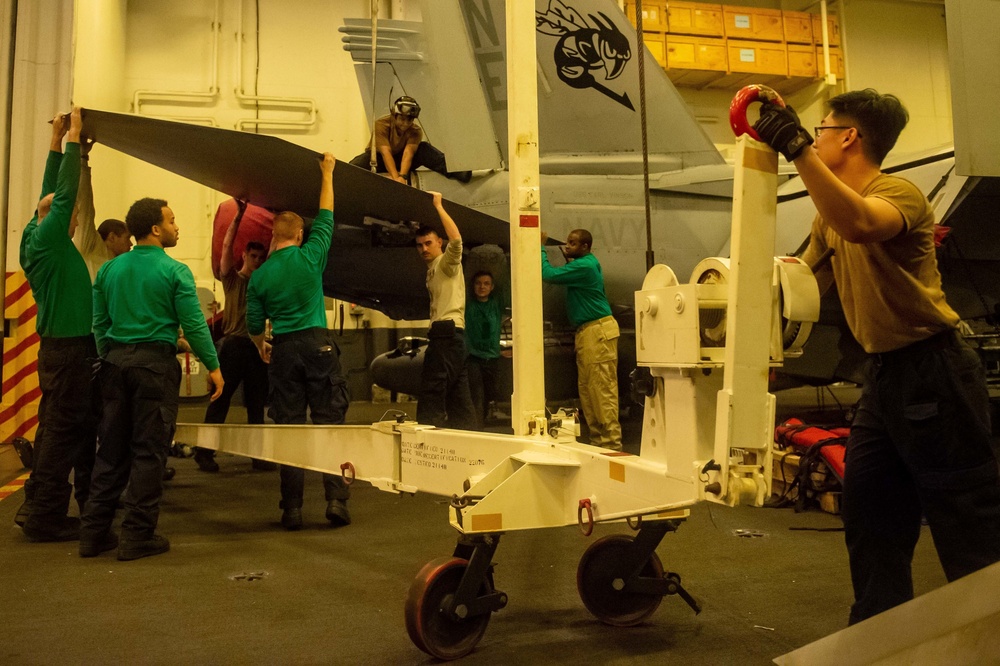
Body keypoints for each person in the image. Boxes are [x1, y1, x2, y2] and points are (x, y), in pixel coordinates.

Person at [753, 88, 1000, 624]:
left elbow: (862, 224)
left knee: (966, 522)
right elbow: (799, 285)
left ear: (849, 137)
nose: (815, 139)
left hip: (936, 373)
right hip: (882, 378)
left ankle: (989, 637)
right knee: (871, 517)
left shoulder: (899, 194)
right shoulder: (828, 216)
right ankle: (878, 638)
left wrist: (798, 150)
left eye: (821, 129)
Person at [80, 197, 223, 560]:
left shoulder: (110, 270)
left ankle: (93, 534)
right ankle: (137, 536)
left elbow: (99, 324)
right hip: (154, 368)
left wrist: (109, 355)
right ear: (156, 229)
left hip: (113, 364)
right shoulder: (175, 271)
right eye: (173, 222)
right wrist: (214, 366)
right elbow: (193, 323)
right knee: (149, 451)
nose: (178, 228)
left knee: (110, 451)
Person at [246, 153, 352, 531]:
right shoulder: (312, 257)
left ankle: (291, 509)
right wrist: (327, 172)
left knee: (289, 431)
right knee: (329, 425)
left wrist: (262, 344)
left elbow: (254, 324)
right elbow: (327, 213)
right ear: (300, 235)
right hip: (318, 344)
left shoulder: (258, 278)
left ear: (274, 236)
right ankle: (336, 502)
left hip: (285, 348)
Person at [16, 107, 100, 542]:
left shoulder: (35, 232)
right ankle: (45, 515)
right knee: (62, 434)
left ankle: (34, 505)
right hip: (70, 351)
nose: (77, 220)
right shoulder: (49, 236)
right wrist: (75, 138)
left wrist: (57, 139)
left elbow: (49, 194)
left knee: (51, 427)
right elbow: (62, 195)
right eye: (71, 217)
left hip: (56, 349)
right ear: (58, 219)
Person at [194, 200, 275, 473]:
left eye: (260, 258)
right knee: (220, 399)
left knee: (256, 404)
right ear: (244, 256)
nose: (258, 261)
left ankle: (258, 456)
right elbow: (227, 245)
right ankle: (204, 452)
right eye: (253, 257)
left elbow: (275, 251)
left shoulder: (262, 282)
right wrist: (239, 215)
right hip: (233, 346)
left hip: (256, 347)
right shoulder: (231, 279)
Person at [540, 229, 622, 451]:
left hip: (597, 331)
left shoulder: (584, 266)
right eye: (568, 242)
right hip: (589, 332)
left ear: (585, 247)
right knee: (588, 391)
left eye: (573, 243)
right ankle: (600, 444)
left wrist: (539, 247)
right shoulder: (585, 264)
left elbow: (548, 275)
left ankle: (611, 446)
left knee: (601, 391)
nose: (568, 246)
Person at [415, 193, 476, 430]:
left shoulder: (445, 263)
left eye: (428, 243)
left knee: (433, 392)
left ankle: (424, 447)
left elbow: (457, 240)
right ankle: (470, 442)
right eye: (419, 245)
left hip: (446, 334)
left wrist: (439, 205)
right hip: (452, 337)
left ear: (439, 242)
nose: (424, 248)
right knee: (458, 399)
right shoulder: (432, 270)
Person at [349, 96, 470, 184]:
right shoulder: (381, 125)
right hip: (378, 158)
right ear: (394, 115)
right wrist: (396, 178)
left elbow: (408, 153)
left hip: (401, 159)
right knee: (352, 167)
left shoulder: (415, 131)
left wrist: (403, 176)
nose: (405, 123)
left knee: (424, 148)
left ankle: (458, 172)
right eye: (402, 119)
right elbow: (386, 153)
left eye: (410, 120)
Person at [73, 138, 132, 282]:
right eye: (127, 238)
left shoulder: (118, 264)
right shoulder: (90, 247)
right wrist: (82, 158)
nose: (131, 244)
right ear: (111, 237)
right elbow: (85, 207)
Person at [465, 270, 507, 428]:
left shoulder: (496, 304)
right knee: (477, 395)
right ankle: (477, 427)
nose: (482, 287)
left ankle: (481, 422)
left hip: (492, 358)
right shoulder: (468, 304)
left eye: (486, 283)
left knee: (489, 393)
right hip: (474, 358)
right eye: (478, 283)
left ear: (492, 287)